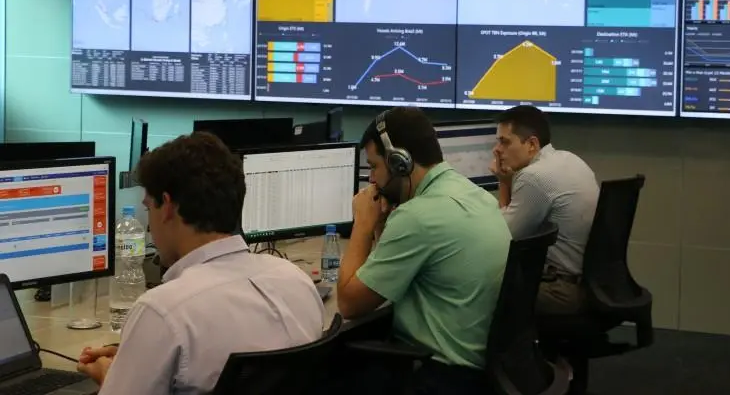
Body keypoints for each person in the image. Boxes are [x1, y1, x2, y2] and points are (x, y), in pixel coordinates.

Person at [77, 131, 325, 394]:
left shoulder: (163, 311)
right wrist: (138, 357)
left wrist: (111, 377)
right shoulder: (296, 280)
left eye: (149, 208)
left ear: (168, 207)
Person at [338, 106, 511, 394]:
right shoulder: (475, 195)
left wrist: (363, 224)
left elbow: (349, 303)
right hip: (485, 368)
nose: (372, 180)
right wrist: (381, 225)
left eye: (374, 166)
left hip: (441, 375)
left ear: (399, 162)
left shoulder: (418, 216)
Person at [490, 105, 599, 316]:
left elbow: (501, 240)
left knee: (476, 285)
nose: (497, 150)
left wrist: (503, 183)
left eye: (505, 142)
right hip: (587, 284)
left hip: (560, 291)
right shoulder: (570, 159)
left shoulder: (534, 177)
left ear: (532, 144)